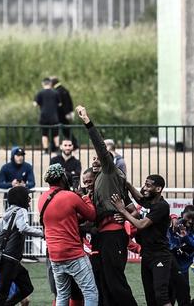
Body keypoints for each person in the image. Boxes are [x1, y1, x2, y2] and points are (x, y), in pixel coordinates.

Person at [75, 105, 142, 306]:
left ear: (107, 161)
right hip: (102, 236)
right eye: (94, 159)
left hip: (113, 235)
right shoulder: (101, 183)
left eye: (99, 158)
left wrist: (87, 121)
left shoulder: (109, 171)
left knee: (114, 282)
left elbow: (132, 210)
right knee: (103, 282)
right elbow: (131, 207)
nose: (95, 160)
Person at [112, 174, 180, 306]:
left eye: (148, 186)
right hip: (147, 255)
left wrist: (123, 211)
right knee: (150, 297)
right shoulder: (150, 203)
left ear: (158, 189)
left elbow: (141, 224)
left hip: (160, 256)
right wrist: (127, 184)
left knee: (161, 296)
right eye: (145, 184)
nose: (144, 188)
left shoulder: (161, 206)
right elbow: (139, 199)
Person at [39, 164, 98, 306]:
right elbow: (92, 215)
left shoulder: (42, 199)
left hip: (54, 255)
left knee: (62, 294)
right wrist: (85, 198)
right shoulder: (70, 196)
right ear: (62, 178)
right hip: (73, 253)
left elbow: (65, 218)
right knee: (90, 292)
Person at [0, 185, 44, 306]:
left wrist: (1, 246)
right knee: (2, 295)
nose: (29, 199)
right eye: (27, 196)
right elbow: (23, 228)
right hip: (11, 260)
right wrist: (43, 233)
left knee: (27, 288)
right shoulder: (21, 211)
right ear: (20, 198)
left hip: (8, 260)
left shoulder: (8, 212)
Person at [35, 77, 63, 152]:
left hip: (43, 116)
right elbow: (60, 104)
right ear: (50, 83)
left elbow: (35, 104)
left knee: (44, 134)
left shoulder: (40, 93)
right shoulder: (55, 93)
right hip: (54, 116)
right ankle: (57, 149)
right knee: (56, 134)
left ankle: (46, 150)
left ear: (43, 84)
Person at [52, 76, 76, 142]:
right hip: (66, 114)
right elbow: (69, 102)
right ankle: (73, 143)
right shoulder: (64, 89)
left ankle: (74, 144)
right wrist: (70, 112)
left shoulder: (57, 91)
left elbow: (61, 104)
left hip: (61, 115)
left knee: (65, 131)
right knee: (66, 131)